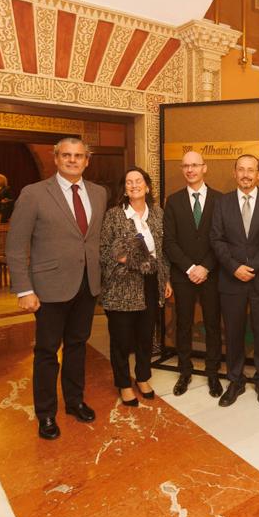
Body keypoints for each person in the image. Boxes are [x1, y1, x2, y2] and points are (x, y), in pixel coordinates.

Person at [6, 138, 107, 440]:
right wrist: (24, 289)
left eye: (78, 156)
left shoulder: (99, 193)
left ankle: (75, 401)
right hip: (48, 287)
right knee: (47, 351)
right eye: (67, 155)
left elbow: (93, 239)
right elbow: (15, 245)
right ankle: (46, 414)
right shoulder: (34, 194)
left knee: (78, 347)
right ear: (56, 159)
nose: (73, 160)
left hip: (87, 284)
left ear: (87, 161)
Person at [100, 168, 172, 407]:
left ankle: (142, 377)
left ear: (147, 186)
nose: (134, 185)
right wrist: (126, 259)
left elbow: (162, 253)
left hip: (151, 283)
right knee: (121, 339)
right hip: (122, 285)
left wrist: (166, 279)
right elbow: (104, 251)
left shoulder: (158, 214)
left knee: (145, 335)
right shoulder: (114, 215)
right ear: (125, 188)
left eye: (138, 181)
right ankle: (123, 383)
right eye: (129, 182)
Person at [209, 155, 259, 407]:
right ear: (234, 172)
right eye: (241, 170)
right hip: (231, 279)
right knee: (234, 332)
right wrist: (235, 267)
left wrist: (253, 266)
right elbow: (216, 239)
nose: (246, 174)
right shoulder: (222, 202)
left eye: (251, 170)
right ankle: (235, 380)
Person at [162, 151, 223, 398]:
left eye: (195, 165)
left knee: (212, 325)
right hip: (183, 275)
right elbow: (169, 241)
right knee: (183, 324)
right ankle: (184, 371)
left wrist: (205, 267)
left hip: (212, 273)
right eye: (186, 165)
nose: (190, 170)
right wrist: (190, 268)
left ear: (204, 168)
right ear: (182, 169)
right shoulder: (173, 201)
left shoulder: (220, 200)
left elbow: (221, 238)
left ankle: (212, 373)